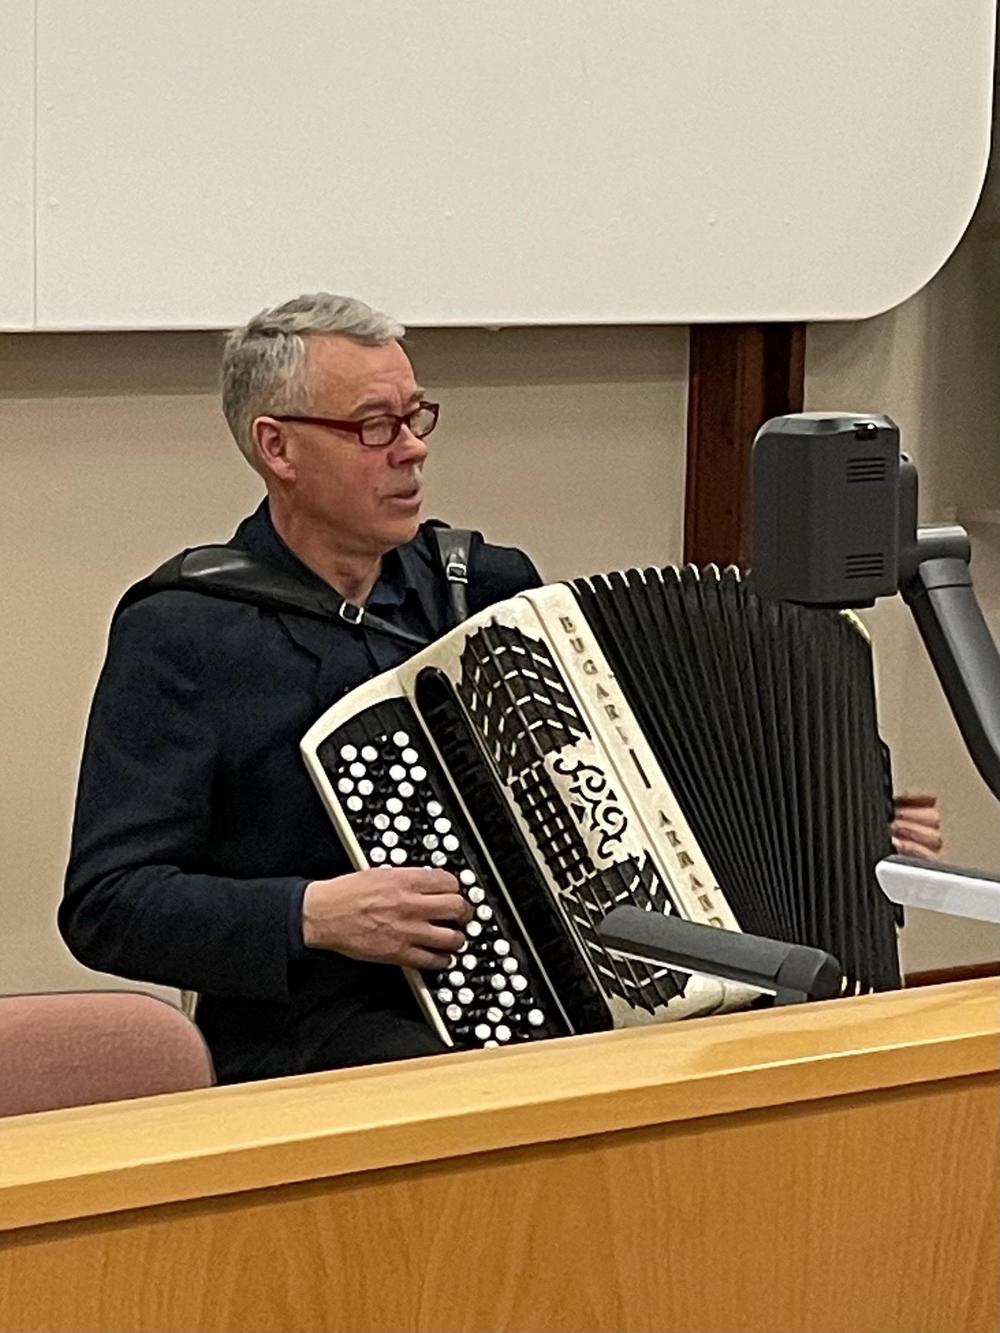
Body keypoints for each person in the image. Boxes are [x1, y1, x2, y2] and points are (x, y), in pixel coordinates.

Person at [60, 291, 942, 1085]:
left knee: (763, 1049)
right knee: (489, 1091)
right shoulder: (185, 632)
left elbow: (637, 766)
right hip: (319, 1031)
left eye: (416, 417)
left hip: (564, 992)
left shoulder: (485, 588)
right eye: (374, 426)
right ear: (276, 446)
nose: (412, 449)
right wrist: (312, 913)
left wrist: (843, 816)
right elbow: (108, 903)